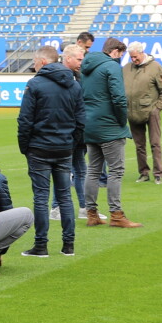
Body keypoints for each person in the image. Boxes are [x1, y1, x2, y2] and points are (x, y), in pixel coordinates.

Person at [17, 44, 82, 257]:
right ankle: (69, 244)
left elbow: (25, 120)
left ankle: (41, 245)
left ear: (43, 61)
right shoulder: (74, 85)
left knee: (41, 198)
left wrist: (25, 147)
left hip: (39, 148)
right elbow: (81, 120)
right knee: (65, 197)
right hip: (64, 148)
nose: (34, 66)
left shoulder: (34, 84)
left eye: (35, 62)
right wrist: (71, 143)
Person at [81, 38, 139, 227]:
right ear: (115, 51)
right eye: (121, 54)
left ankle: (91, 214)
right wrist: (122, 121)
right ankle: (116, 214)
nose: (121, 58)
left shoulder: (86, 66)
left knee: (93, 170)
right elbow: (119, 98)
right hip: (109, 125)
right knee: (116, 170)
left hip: (90, 124)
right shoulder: (112, 66)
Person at [124, 42, 162, 183]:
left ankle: (158, 173)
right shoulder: (126, 68)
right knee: (139, 146)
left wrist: (157, 109)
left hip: (151, 112)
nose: (133, 60)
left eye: (135, 57)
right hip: (132, 112)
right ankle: (143, 173)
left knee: (155, 143)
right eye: (131, 57)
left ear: (142, 52)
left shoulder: (155, 67)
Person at [69, 31, 96, 211]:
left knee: (74, 170)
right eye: (79, 58)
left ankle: (83, 208)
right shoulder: (69, 78)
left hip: (77, 131)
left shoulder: (80, 76)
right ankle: (83, 207)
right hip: (70, 132)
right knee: (71, 170)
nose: (82, 61)